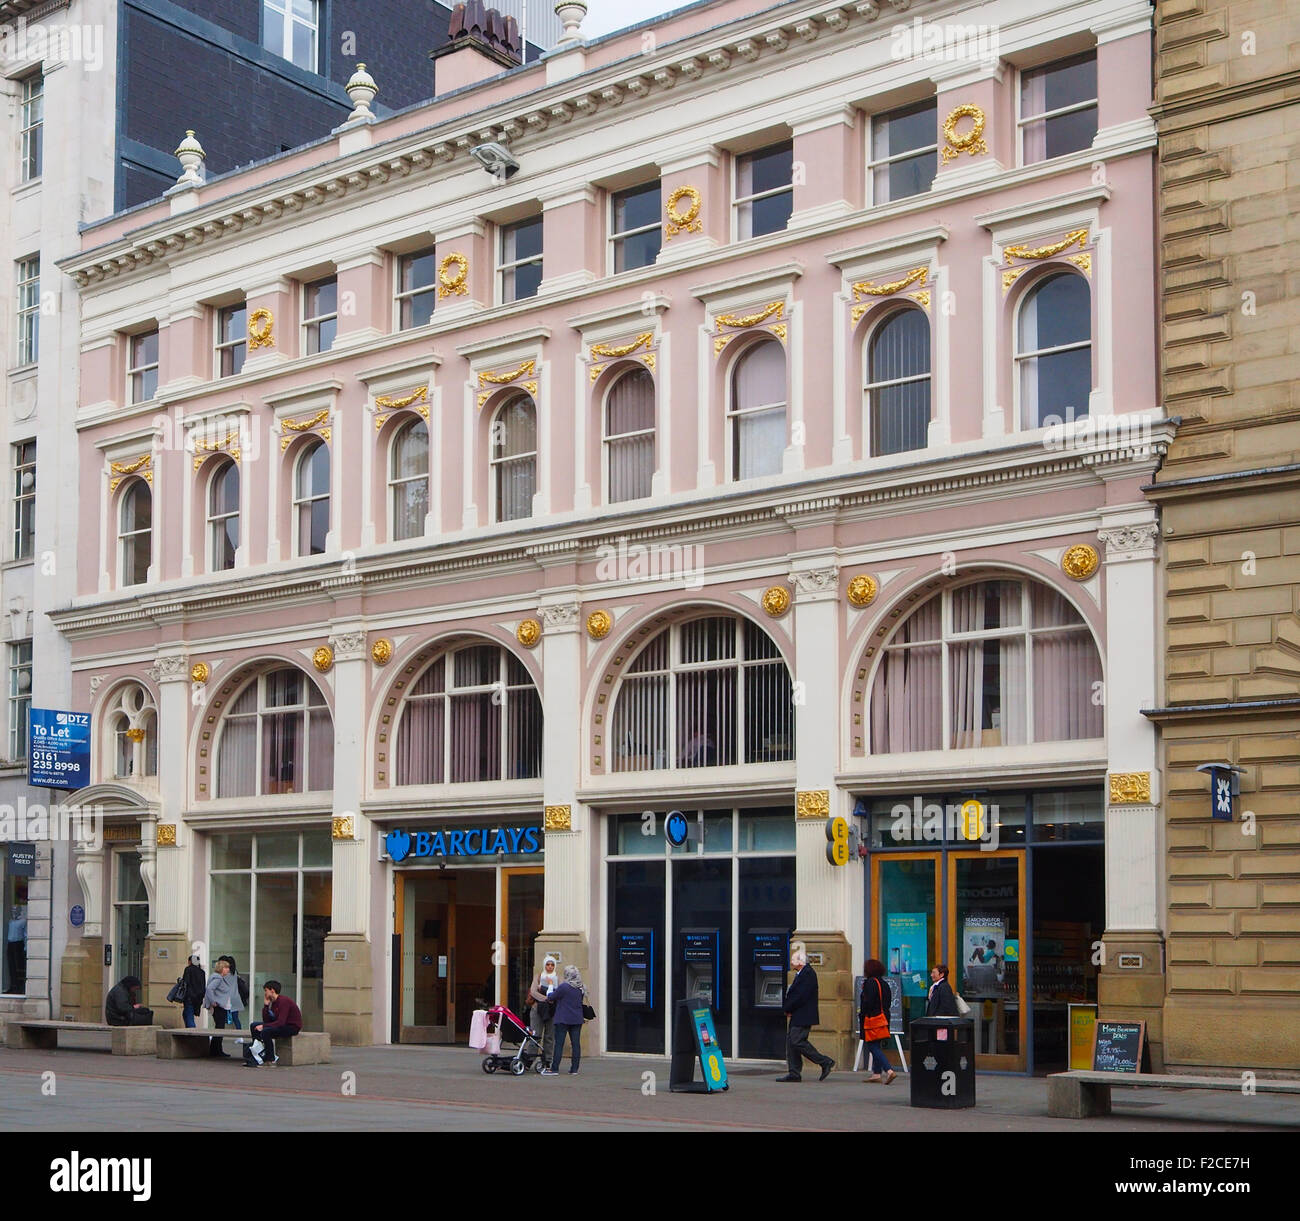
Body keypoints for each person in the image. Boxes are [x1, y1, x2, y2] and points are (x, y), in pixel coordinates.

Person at [777, 949, 834, 1082]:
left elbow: (799, 996)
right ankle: (794, 1072)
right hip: (798, 1013)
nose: (791, 962)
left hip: (803, 1014)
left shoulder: (808, 974)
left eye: (793, 960)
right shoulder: (801, 973)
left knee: (797, 1041)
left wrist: (788, 1007)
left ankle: (824, 1061)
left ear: (801, 962)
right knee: (791, 1042)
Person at [541, 964, 587, 1076]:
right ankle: (574, 1069)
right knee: (576, 1044)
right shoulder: (581, 987)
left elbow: (550, 997)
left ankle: (554, 1068)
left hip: (563, 1019)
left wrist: (551, 985)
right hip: (577, 1019)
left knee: (559, 1044)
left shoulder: (564, 987)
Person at [243, 980, 302, 1067]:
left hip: (291, 1027)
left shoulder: (283, 1001)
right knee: (254, 1025)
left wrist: (264, 1026)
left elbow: (281, 1022)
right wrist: (266, 1006)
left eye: (266, 990)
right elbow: (267, 1020)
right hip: (281, 1024)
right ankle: (258, 1054)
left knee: (266, 1031)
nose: (265, 993)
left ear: (272, 990)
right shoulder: (274, 1002)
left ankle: (270, 1059)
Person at [858, 958, 896, 1085]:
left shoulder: (870, 983)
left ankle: (889, 1070)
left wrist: (862, 1014)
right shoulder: (884, 983)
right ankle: (876, 1073)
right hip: (883, 1017)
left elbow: (867, 1002)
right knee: (877, 1044)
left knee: (872, 1045)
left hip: (872, 1018)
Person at [204, 954, 242, 1057]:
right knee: (219, 1029)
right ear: (222, 968)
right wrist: (213, 1001)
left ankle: (215, 1050)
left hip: (219, 1006)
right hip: (219, 1007)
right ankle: (216, 1050)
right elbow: (209, 989)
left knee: (219, 1028)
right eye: (226, 968)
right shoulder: (218, 978)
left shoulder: (216, 976)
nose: (228, 970)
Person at [528, 955, 559, 1067]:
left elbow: (559, 993)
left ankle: (547, 1060)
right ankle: (529, 1059)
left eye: (552, 965)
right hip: (538, 1009)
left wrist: (552, 998)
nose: (550, 967)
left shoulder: (558, 978)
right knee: (535, 1035)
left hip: (552, 1010)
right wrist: (547, 998)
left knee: (550, 1036)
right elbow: (533, 992)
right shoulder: (538, 976)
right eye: (547, 964)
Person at [181, 954, 206, 1029]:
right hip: (198, 997)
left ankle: (192, 1033)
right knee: (186, 1013)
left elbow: (186, 982)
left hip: (189, 996)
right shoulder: (202, 972)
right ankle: (189, 1030)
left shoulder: (188, 969)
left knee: (189, 1015)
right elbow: (203, 985)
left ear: (190, 961)